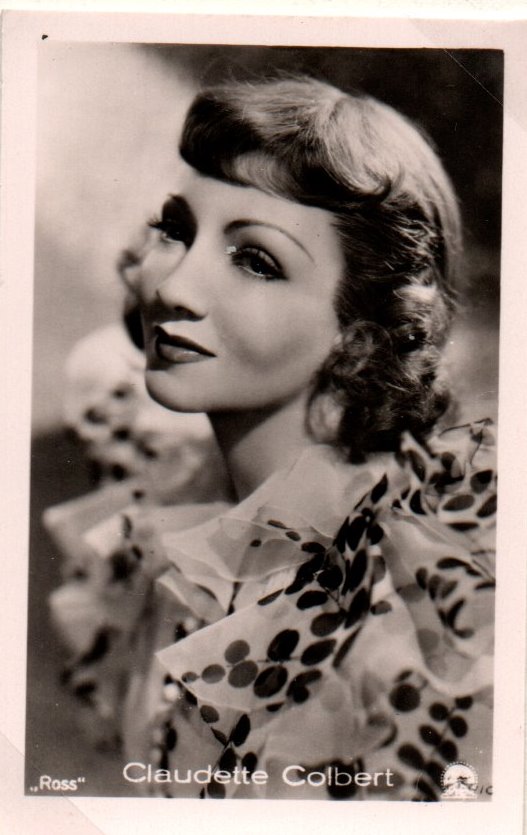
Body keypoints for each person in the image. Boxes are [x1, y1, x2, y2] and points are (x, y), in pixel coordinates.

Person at [47, 75, 496, 801]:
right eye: (176, 230)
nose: (172, 288)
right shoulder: (174, 521)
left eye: (255, 260)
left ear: (360, 335)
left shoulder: (398, 612)